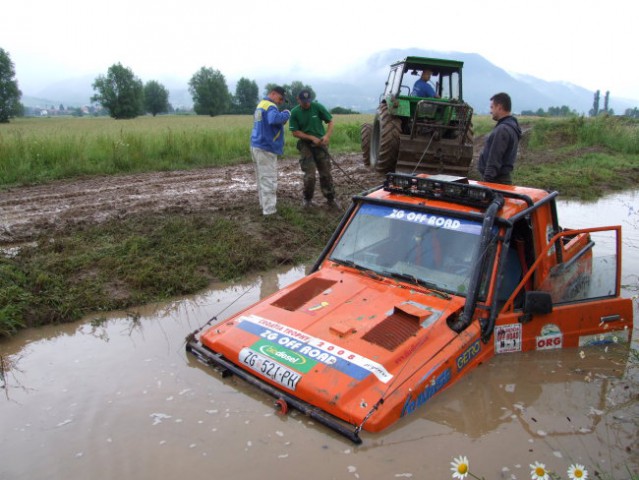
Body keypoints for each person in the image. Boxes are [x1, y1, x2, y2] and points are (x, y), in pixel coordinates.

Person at [289, 89, 340, 209]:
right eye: (304, 101)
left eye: (308, 101)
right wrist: (311, 137)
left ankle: (331, 199)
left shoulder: (317, 107)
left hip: (321, 144)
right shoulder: (295, 112)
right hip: (305, 145)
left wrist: (326, 136)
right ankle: (307, 200)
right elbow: (295, 132)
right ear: (298, 100)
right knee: (310, 175)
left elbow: (330, 121)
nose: (306, 103)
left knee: (326, 173)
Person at [250, 86, 291, 216]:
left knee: (261, 179)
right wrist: (286, 114)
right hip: (266, 148)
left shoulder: (261, 105)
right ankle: (270, 212)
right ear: (273, 94)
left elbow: (268, 123)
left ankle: (264, 205)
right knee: (269, 180)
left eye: (283, 100)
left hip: (256, 145)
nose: (280, 102)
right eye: (280, 98)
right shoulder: (271, 106)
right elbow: (274, 119)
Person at [477, 92, 522, 185]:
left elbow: (494, 160)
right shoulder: (511, 126)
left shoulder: (503, 130)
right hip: (502, 180)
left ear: (499, 107)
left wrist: (486, 184)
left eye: (492, 107)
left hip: (496, 182)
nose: (490, 111)